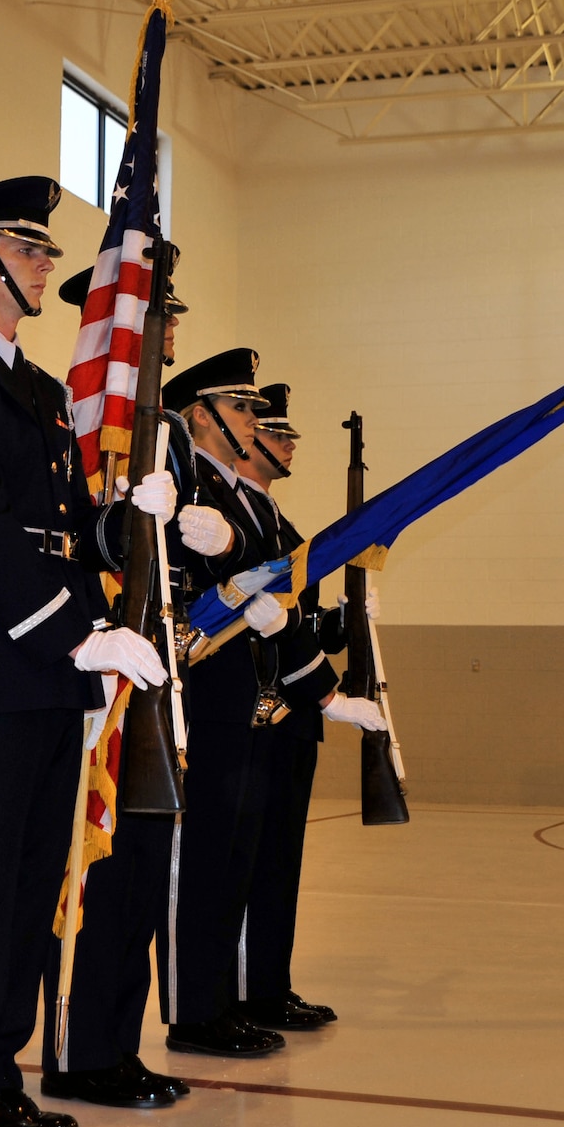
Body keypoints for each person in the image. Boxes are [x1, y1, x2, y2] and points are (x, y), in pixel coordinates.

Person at [0, 177, 220, 1127]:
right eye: (28, 248)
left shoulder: (40, 393)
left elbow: (74, 528)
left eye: (45, 249)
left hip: (54, 675)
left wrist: (139, 517)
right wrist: (71, 631)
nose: (45, 263)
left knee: (34, 888)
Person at [158, 352, 383, 1059]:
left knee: (249, 861)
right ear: (202, 414)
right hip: (213, 704)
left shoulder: (254, 507)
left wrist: (334, 647)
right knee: (210, 866)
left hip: (266, 701)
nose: (262, 430)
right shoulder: (188, 492)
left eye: (265, 418)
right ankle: (200, 1009)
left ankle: (235, 997)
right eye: (248, 412)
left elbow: (280, 604)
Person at [33, 265, 212, 1112]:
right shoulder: (86, 413)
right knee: (96, 862)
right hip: (102, 657)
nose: (170, 327)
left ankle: (116, 1044)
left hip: (156, 661)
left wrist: (186, 526)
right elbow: (80, 532)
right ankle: (78, 1051)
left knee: (142, 865)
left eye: (171, 315)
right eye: (157, 313)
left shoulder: (165, 424)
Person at [233, 382, 359, 1031]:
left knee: (280, 862)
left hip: (294, 717)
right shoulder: (235, 522)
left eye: (287, 435)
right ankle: (233, 995)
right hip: (260, 714)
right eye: (275, 433)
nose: (287, 445)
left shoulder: (286, 528)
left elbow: (297, 620)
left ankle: (269, 988)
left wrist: (341, 624)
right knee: (243, 863)